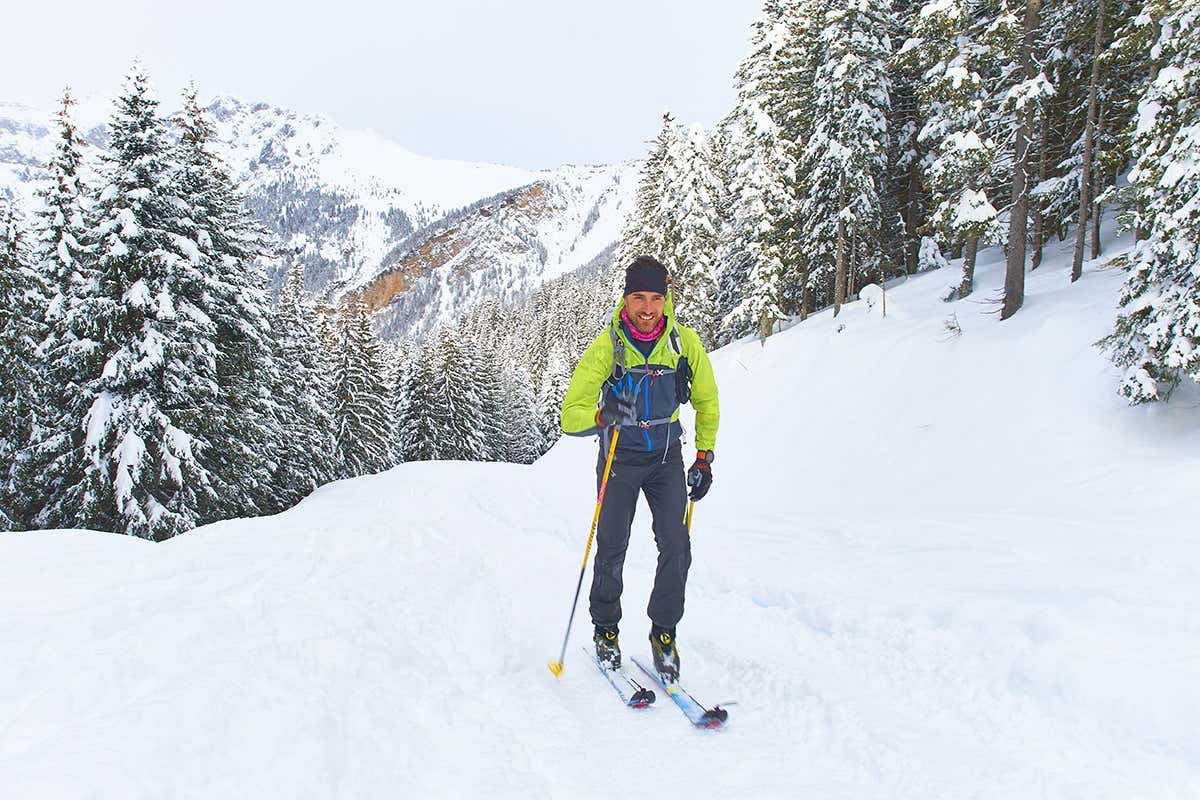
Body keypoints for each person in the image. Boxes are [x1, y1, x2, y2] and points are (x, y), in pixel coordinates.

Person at [560, 255, 719, 681]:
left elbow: (707, 402)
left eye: (655, 298)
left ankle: (663, 634)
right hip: (620, 459)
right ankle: (606, 630)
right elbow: (570, 413)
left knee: (677, 546)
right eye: (638, 298)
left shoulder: (683, 344)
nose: (647, 308)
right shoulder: (607, 348)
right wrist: (603, 415)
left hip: (666, 457)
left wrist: (704, 457)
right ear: (626, 299)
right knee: (612, 546)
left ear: (666, 300)